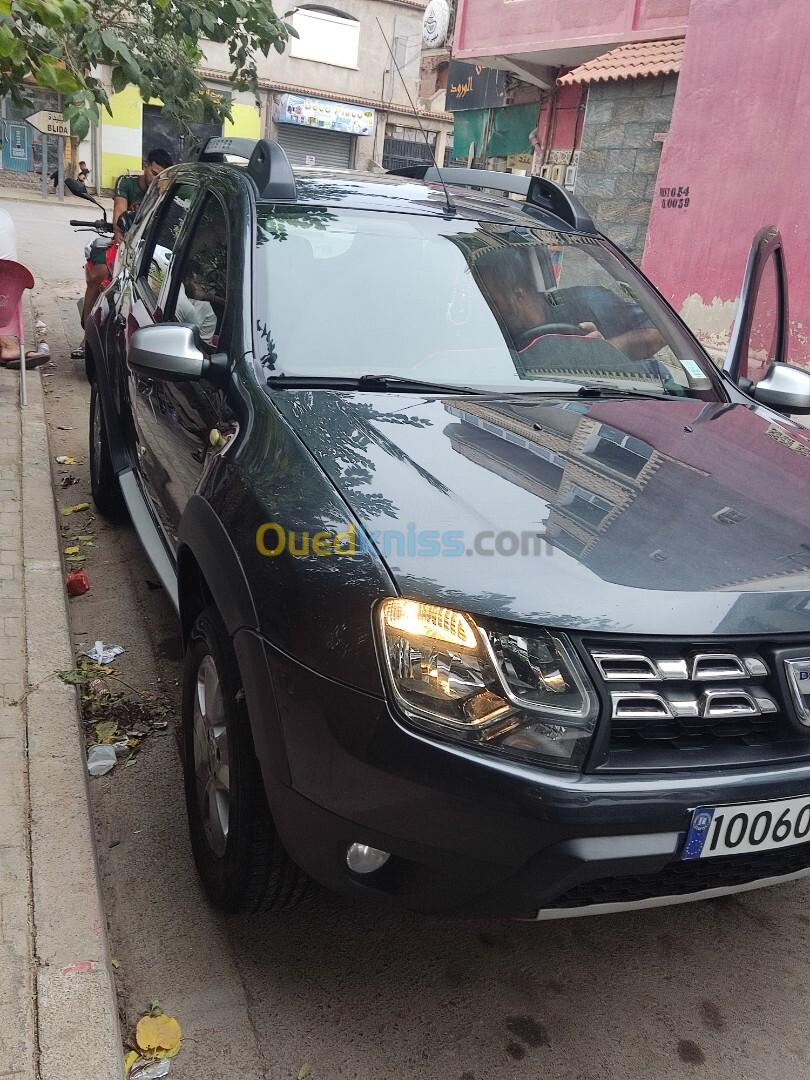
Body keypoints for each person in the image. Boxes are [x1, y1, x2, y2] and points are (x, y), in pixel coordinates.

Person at [79, 148, 173, 334]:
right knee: (99, 273)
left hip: (148, 248)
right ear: (145, 166)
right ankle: (87, 330)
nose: (156, 179)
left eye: (160, 176)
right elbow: (119, 214)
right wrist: (120, 229)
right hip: (123, 241)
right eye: (154, 173)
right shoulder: (126, 183)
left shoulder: (163, 190)